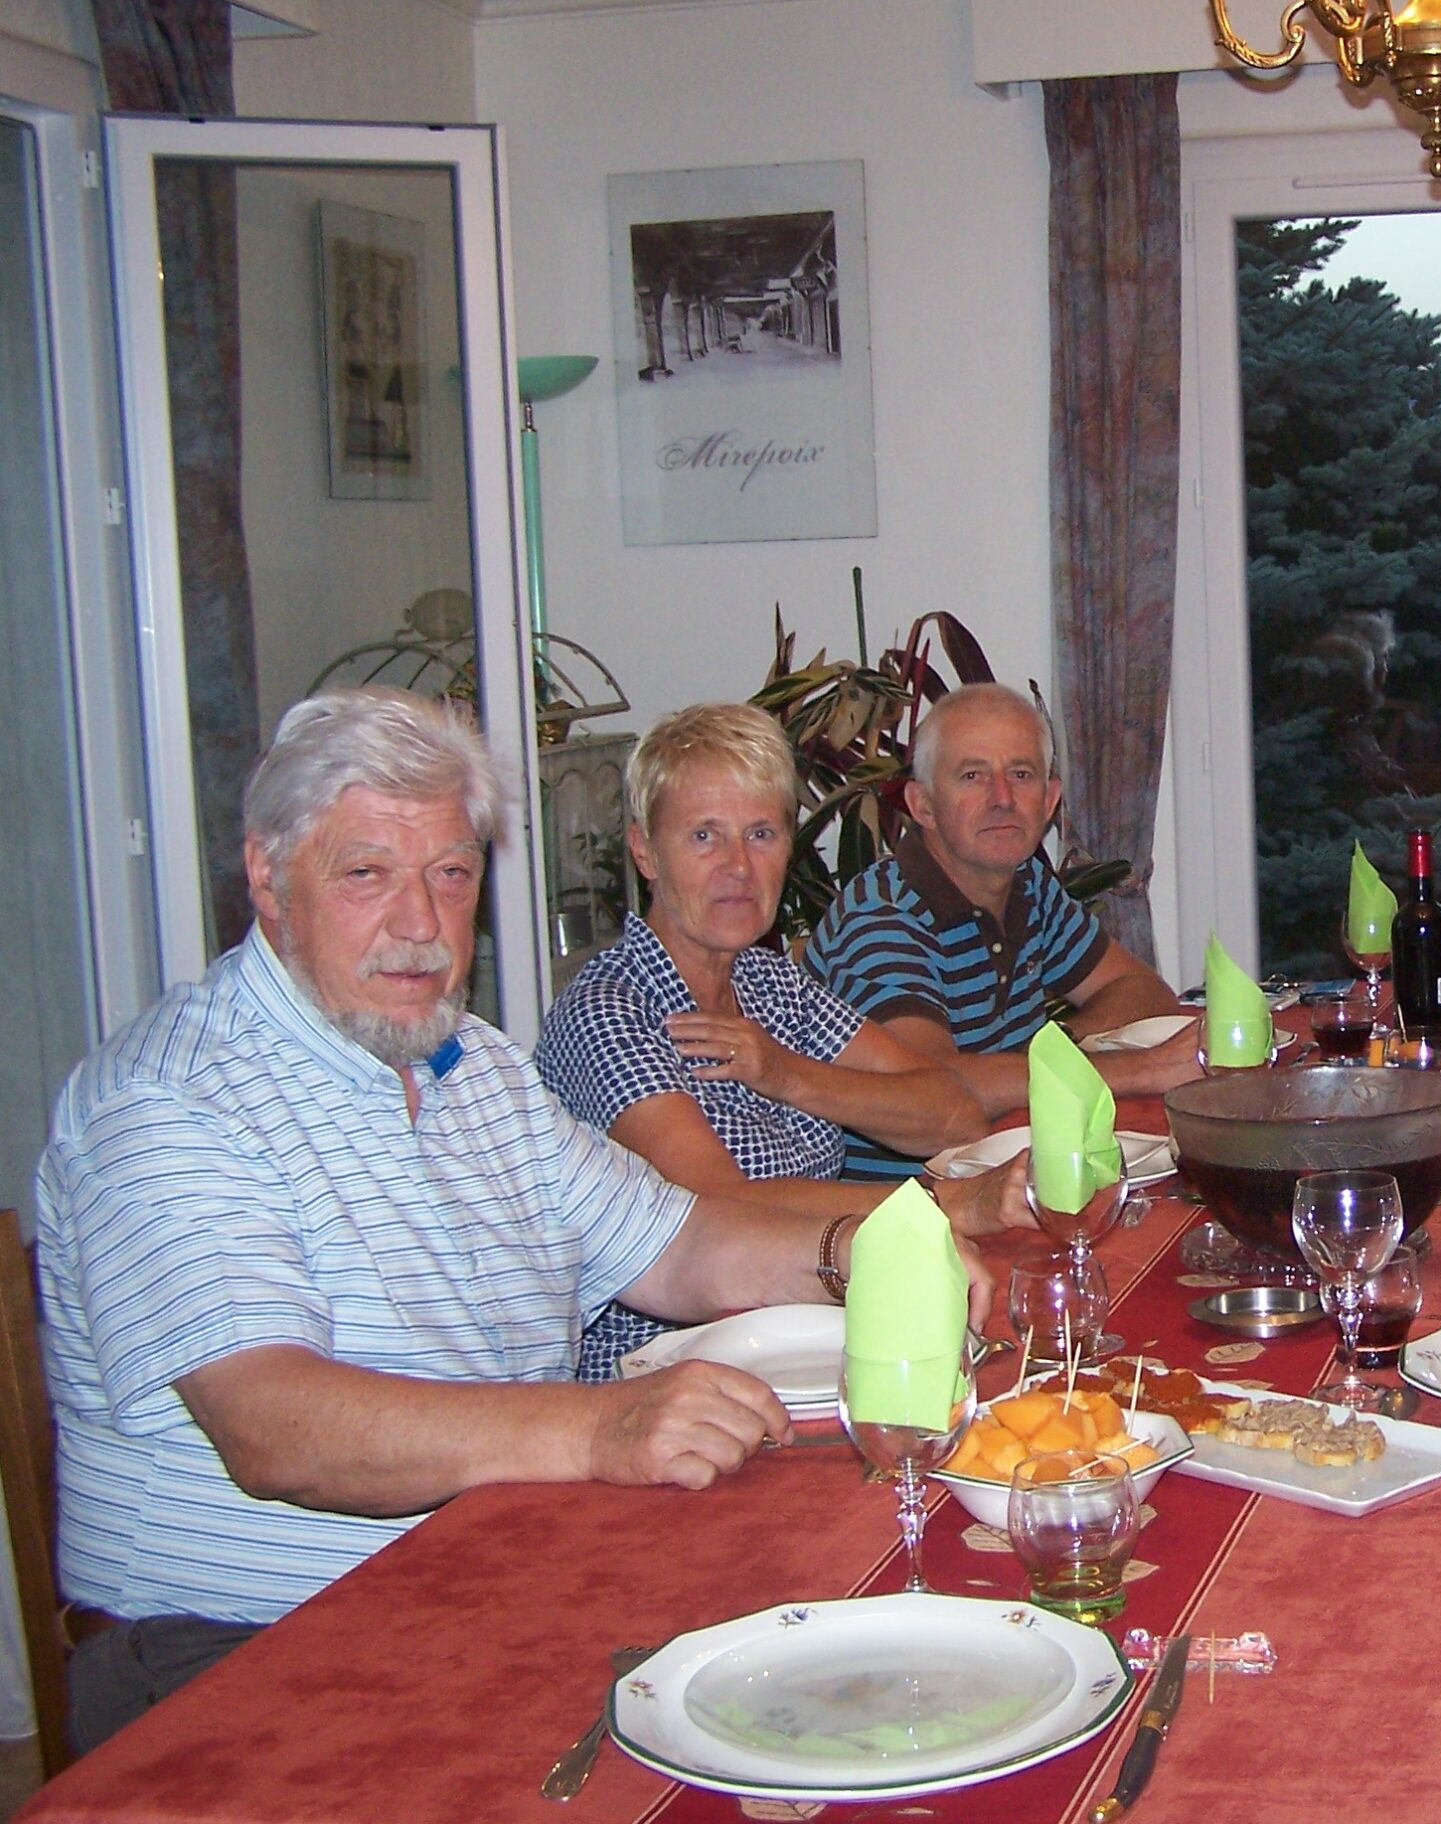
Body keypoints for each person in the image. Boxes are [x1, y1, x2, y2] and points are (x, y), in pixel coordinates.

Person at [34, 690, 991, 1751]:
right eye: (366, 874)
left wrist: (866, 1251)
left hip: (495, 1578)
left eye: (449, 875)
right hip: (243, 1654)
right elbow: (276, 1430)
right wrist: (602, 1430)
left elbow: (678, 1245)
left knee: (877, 1668)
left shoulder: (466, 1065)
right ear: (266, 875)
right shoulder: (170, 1101)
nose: (418, 924)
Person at [538, 704, 1033, 1380]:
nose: (738, 867)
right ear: (646, 851)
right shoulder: (608, 1013)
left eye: (762, 833)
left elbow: (953, 1111)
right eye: (704, 836)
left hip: (808, 1340)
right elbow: (715, 1208)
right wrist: (951, 1205)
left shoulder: (772, 984)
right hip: (662, 1380)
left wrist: (785, 1073)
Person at [807, 682, 1200, 1177]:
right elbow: (936, 1085)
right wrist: (1142, 1069)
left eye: (1021, 774)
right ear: (922, 805)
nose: (1001, 798)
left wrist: (1042, 1056)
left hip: (1016, 1174)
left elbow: (1142, 990)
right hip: (909, 1215)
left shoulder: (1029, 884)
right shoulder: (882, 919)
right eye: (972, 775)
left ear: (1049, 799)